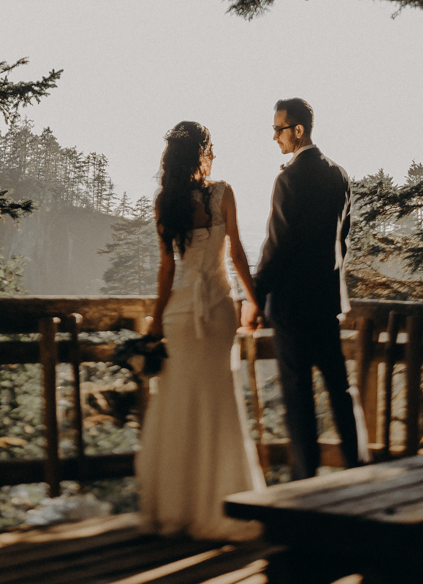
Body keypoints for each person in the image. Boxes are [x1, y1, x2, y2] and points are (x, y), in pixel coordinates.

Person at [135, 121, 263, 540]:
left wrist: (156, 320)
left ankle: (176, 508)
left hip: (180, 311)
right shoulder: (222, 193)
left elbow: (167, 269)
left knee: (177, 404)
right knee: (219, 404)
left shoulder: (164, 201)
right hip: (218, 311)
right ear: (204, 153)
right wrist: (256, 300)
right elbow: (239, 252)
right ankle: (220, 505)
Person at [253, 97, 363, 481]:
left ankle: (305, 481)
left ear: (298, 131)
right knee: (340, 390)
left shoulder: (288, 179)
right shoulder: (339, 175)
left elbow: (276, 246)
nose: (274, 137)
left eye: (278, 129)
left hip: (291, 307)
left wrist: (253, 295)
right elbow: (342, 241)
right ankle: (357, 469)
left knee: (299, 397)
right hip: (327, 303)